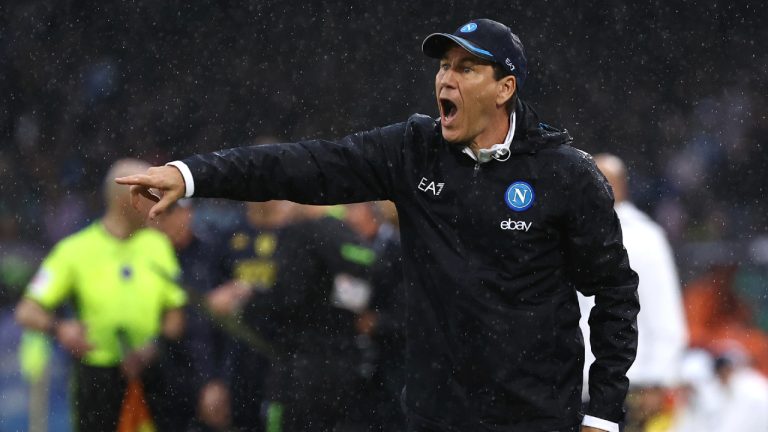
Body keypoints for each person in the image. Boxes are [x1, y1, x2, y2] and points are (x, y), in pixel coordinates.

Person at [117, 18, 639, 432]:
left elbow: (615, 293)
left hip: (536, 419)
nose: (446, 78)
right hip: (435, 418)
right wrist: (191, 175)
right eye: (444, 66)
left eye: (466, 68)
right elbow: (304, 164)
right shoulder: (414, 152)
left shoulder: (565, 174)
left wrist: (603, 413)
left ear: (504, 88)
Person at [15, 159, 187, 432]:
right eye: (151, 196)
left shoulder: (158, 246)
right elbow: (27, 311)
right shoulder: (74, 250)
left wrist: (152, 348)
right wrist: (60, 328)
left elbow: (176, 314)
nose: (158, 205)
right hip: (97, 380)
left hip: (152, 377)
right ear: (126, 200)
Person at [578, 154, 688, 429]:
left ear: (618, 185)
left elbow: (664, 311)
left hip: (630, 385)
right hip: (575, 384)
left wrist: (658, 379)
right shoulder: (571, 231)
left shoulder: (644, 237)